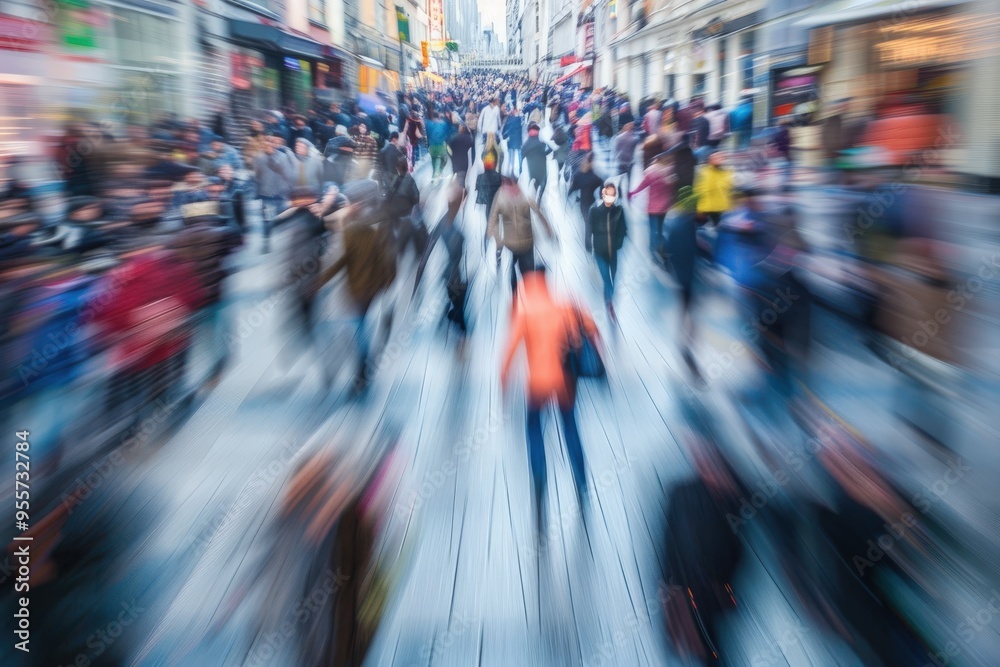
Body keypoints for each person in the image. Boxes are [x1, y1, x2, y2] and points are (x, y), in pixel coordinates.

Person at [500, 266, 600, 532]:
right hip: (565, 382)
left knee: (534, 431)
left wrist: (503, 383)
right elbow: (593, 328)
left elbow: (509, 350)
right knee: (570, 429)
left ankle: (540, 480)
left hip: (538, 386)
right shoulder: (566, 303)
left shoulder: (523, 307)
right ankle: (580, 482)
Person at [313, 180, 398, 394]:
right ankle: (363, 369)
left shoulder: (352, 228)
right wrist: (388, 279)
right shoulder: (382, 222)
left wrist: (319, 282)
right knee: (361, 325)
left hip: (358, 287)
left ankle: (361, 369)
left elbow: (339, 260)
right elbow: (390, 256)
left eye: (351, 200)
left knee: (357, 328)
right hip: (375, 285)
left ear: (359, 202)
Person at [487, 176, 555, 294]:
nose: (510, 188)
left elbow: (538, 212)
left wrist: (548, 231)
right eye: (507, 184)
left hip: (524, 243)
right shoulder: (504, 196)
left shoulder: (522, 195)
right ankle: (517, 297)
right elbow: (493, 218)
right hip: (513, 243)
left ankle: (524, 298)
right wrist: (497, 239)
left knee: (525, 275)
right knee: (517, 275)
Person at [586, 182, 628, 317]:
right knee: (607, 279)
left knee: (613, 279)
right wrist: (588, 244)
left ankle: (609, 299)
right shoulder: (595, 211)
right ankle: (609, 303)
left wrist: (618, 243)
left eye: (613, 194)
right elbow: (589, 229)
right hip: (599, 252)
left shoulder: (619, 211)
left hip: (613, 252)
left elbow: (624, 229)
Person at [254, 132, 296, 253]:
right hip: (267, 195)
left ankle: (290, 241)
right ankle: (266, 242)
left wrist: (289, 190)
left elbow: (289, 174)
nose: (268, 145)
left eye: (271, 143)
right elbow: (257, 176)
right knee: (267, 220)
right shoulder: (259, 158)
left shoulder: (282, 156)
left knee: (286, 217)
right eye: (265, 143)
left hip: (281, 194)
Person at [630, 151, 675, 257]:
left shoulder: (650, 171)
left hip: (653, 206)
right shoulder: (670, 172)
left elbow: (642, 185)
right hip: (664, 207)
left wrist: (632, 193)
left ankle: (655, 248)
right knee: (659, 227)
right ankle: (658, 246)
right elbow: (673, 189)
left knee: (653, 228)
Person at [694, 150, 733, 227]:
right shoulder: (702, 171)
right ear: (710, 159)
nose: (719, 159)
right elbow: (697, 190)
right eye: (716, 157)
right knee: (699, 229)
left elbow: (728, 190)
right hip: (704, 208)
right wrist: (698, 209)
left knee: (719, 230)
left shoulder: (727, 172)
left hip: (720, 208)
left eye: (721, 157)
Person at [568, 152, 603, 224]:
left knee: (589, 225)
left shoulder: (591, 176)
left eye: (585, 161)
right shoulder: (596, 176)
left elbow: (572, 188)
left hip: (589, 207)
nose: (583, 163)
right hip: (589, 206)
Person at [521, 123, 552, 203]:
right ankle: (539, 197)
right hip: (542, 166)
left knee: (533, 181)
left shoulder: (526, 144)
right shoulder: (542, 143)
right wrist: (544, 154)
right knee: (542, 182)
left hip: (531, 167)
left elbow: (522, 154)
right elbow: (550, 149)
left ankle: (532, 196)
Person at [475, 153, 502, 220]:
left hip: (482, 207)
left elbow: (476, 190)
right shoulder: (500, 177)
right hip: (496, 206)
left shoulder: (479, 177)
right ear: (494, 164)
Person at [502, 106, 523, 176]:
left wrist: (504, 136)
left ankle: (510, 171)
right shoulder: (519, 119)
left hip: (510, 141)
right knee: (518, 157)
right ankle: (519, 171)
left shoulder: (508, 120)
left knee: (510, 158)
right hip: (517, 140)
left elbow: (505, 131)